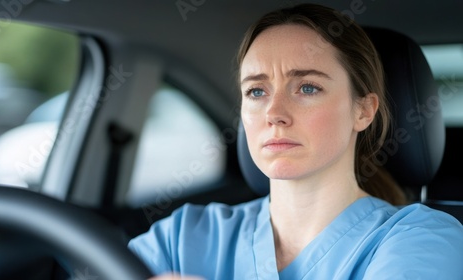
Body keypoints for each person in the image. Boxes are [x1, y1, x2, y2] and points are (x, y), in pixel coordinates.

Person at [130, 3, 463, 279]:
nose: (274, 113)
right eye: (256, 91)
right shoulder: (183, 235)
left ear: (363, 111)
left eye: (307, 88)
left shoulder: (424, 238)